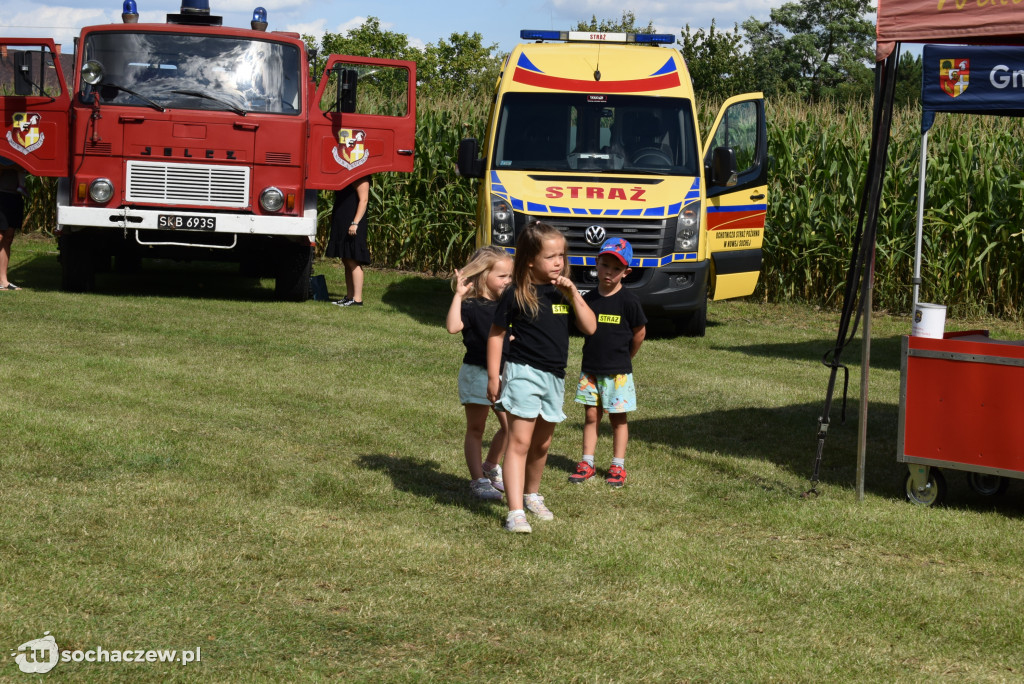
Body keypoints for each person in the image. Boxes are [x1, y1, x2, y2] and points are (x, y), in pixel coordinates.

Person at [487, 222, 597, 533]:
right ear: (531, 259)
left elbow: (590, 328)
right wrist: (495, 375)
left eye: (562, 255)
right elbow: (496, 336)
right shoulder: (516, 293)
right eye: (551, 256)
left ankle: (532, 494)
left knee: (542, 444)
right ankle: (515, 512)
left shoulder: (563, 293)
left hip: (555, 377)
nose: (559, 262)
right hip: (523, 372)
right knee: (520, 442)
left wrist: (573, 293)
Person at [569, 238, 647, 488]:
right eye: (605, 266)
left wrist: (627, 358)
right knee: (591, 416)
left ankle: (617, 466)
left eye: (616, 269)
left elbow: (639, 332)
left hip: (618, 374)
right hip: (590, 370)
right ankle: (587, 462)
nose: (609, 273)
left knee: (618, 419)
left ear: (627, 272)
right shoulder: (588, 299)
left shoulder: (629, 301)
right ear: (596, 264)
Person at [446, 246, 514, 500]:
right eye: (502, 276)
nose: (508, 281)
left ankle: (490, 465)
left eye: (510, 276)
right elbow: (453, 327)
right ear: (483, 275)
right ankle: (478, 479)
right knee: (476, 428)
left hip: (504, 374)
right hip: (477, 374)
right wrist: (459, 295)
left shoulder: (507, 305)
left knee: (511, 428)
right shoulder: (471, 305)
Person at [326, 176, 370, 306]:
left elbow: (364, 200)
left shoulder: (362, 177)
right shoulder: (347, 176)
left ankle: (357, 299)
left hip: (353, 223)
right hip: (343, 222)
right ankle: (350, 297)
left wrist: (355, 223)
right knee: (346, 259)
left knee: (353, 260)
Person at [0, 161, 26, 291]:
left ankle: (3, 281)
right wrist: (14, 166)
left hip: (15, 196)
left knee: (8, 238)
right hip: (1, 193)